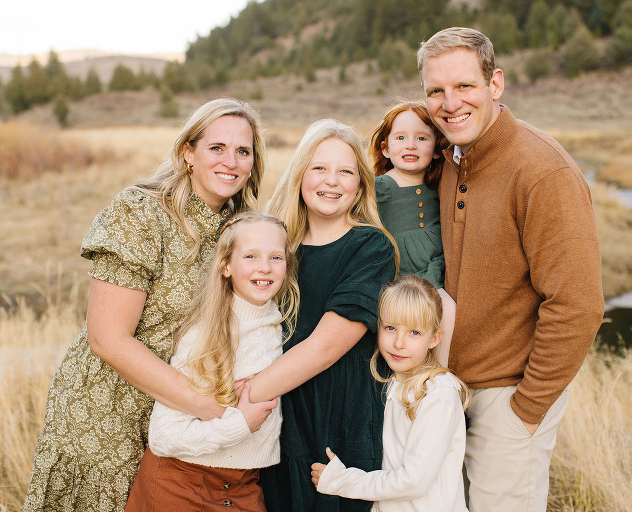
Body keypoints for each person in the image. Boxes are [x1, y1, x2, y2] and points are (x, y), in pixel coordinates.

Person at [22, 98, 266, 512]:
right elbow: (107, 338)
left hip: (177, 425)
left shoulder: (241, 230)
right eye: (217, 147)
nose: (231, 161)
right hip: (106, 414)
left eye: (243, 151)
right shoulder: (141, 213)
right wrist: (206, 406)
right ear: (188, 152)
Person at [417, 27, 605, 511]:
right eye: (436, 91)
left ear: (495, 83)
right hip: (448, 395)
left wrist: (527, 409)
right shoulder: (450, 159)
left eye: (465, 86)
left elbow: (578, 305)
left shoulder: (543, 171)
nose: (450, 103)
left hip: (509, 399)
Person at [253, 118, 397, 512]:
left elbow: (326, 346)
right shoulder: (277, 247)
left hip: (342, 414)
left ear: (360, 186)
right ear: (301, 174)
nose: (332, 181)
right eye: (319, 167)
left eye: (346, 171)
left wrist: (245, 394)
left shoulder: (371, 247)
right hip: (280, 414)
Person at [125, 211, 299, 511]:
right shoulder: (206, 335)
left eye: (276, 257)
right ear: (226, 266)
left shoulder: (277, 323)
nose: (265, 267)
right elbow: (163, 436)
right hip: (180, 482)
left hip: (244, 484)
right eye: (250, 256)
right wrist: (240, 424)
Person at [311, 275, 470, 512]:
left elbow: (413, 481)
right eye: (391, 328)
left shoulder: (438, 394)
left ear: (434, 338)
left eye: (414, 332)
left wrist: (342, 480)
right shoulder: (389, 381)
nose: (398, 343)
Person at [369, 100, 455, 365]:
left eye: (421, 138)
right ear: (385, 148)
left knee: (446, 309)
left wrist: (433, 277)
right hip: (395, 281)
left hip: (432, 277)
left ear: (437, 150)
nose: (411, 145)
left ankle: (437, 375)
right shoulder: (379, 188)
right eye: (401, 138)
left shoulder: (442, 188)